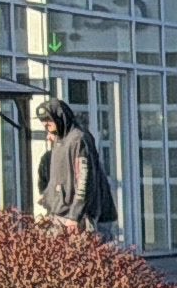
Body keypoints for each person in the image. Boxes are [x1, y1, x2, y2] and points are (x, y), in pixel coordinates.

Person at [33, 97, 119, 237]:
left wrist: (75, 215)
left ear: (60, 117)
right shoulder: (60, 140)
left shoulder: (78, 139)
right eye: (43, 122)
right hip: (60, 214)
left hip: (78, 217)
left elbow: (84, 180)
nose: (46, 126)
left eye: (48, 121)